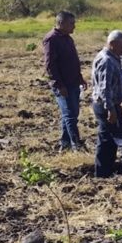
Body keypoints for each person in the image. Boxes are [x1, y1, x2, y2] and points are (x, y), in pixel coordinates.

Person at [91, 30, 122, 177]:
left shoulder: (112, 58)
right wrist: (111, 110)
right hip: (107, 106)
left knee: (107, 140)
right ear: (112, 44)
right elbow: (104, 88)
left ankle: (103, 173)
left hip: (108, 105)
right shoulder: (106, 61)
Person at [42, 11, 88, 153]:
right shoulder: (51, 39)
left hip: (73, 82)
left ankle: (65, 143)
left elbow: (73, 60)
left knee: (72, 113)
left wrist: (80, 77)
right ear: (61, 23)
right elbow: (50, 65)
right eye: (71, 23)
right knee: (69, 115)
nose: (74, 26)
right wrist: (59, 85)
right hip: (63, 85)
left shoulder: (68, 38)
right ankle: (76, 145)